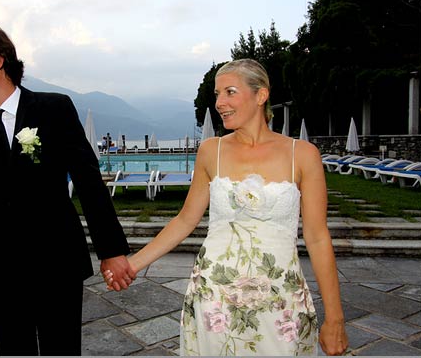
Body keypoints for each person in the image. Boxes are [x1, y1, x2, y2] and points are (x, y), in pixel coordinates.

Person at [104, 59, 348, 356]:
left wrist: (334, 319)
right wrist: (131, 265)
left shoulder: (303, 155)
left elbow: (318, 237)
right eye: (217, 94)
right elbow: (184, 221)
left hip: (280, 299)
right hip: (214, 296)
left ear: (261, 95)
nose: (220, 103)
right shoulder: (211, 151)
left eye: (230, 92)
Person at [0, 24, 135, 355]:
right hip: (0, 269)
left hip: (56, 262)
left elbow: (89, 182)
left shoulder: (54, 109)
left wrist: (111, 250)